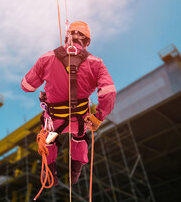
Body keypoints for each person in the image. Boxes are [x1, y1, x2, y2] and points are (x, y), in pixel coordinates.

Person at [21, 21, 116, 185]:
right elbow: (109, 92)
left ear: (67, 37)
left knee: (49, 140)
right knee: (80, 138)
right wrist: (99, 117)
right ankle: (75, 173)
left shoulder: (46, 58)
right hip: (79, 121)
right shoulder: (96, 63)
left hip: (53, 120)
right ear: (86, 42)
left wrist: (47, 84)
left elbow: (27, 87)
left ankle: (50, 174)